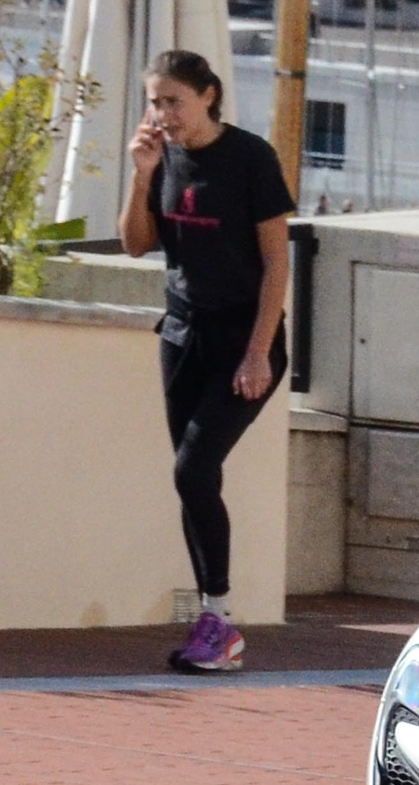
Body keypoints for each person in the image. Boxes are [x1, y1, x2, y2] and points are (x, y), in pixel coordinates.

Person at [119, 50, 297, 675]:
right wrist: (142, 176)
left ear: (209, 96)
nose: (164, 113)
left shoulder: (250, 159)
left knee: (194, 470)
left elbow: (277, 262)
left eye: (175, 101)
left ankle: (218, 620)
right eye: (156, 101)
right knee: (192, 478)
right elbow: (138, 244)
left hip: (243, 341)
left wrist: (257, 354)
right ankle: (213, 620)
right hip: (182, 337)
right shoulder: (161, 157)